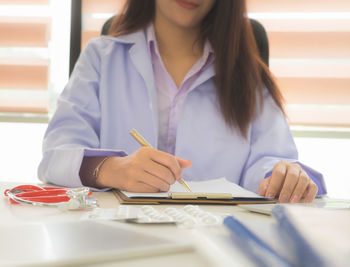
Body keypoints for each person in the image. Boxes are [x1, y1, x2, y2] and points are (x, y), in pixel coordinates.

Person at [38, 0, 326, 203]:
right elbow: (57, 154)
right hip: (118, 238)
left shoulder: (247, 75)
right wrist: (113, 169)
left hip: (217, 240)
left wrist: (281, 177)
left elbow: (271, 160)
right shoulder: (101, 58)